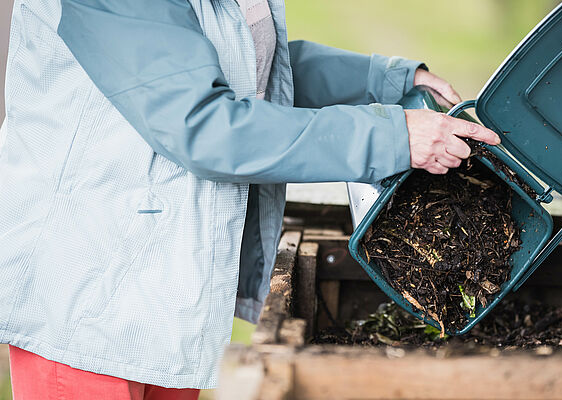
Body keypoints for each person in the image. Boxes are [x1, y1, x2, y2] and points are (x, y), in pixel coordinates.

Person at [0, 0, 500, 398]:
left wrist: (385, 81)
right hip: (91, 289)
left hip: (166, 285)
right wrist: (390, 138)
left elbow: (247, 70)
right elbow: (206, 126)